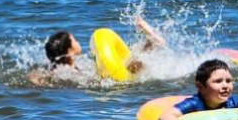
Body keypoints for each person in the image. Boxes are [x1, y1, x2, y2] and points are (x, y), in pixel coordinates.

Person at [30, 16, 165, 84]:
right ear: (70, 51)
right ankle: (151, 43)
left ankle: (151, 43)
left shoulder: (54, 67)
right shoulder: (68, 71)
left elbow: (34, 76)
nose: (78, 42)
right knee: (129, 67)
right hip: (96, 82)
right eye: (75, 40)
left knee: (126, 63)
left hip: (87, 80)